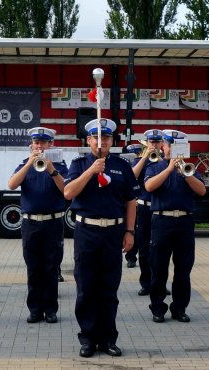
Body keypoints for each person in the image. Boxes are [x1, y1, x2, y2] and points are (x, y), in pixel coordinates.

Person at [63, 118, 136, 357]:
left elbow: (131, 201)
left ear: (112, 141)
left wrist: (130, 231)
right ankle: (87, 339)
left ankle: (107, 339)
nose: (101, 142)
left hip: (114, 233)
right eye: (96, 138)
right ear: (89, 140)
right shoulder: (79, 163)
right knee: (86, 288)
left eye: (106, 138)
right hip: (87, 232)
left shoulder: (122, 166)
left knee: (109, 289)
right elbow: (68, 192)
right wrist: (91, 171)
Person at [144, 130, 206, 323]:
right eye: (170, 145)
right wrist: (169, 169)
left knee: (183, 269)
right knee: (159, 268)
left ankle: (179, 308)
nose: (172, 149)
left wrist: (186, 175)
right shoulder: (155, 166)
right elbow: (149, 187)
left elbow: (202, 190)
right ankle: (158, 308)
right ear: (164, 146)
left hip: (185, 222)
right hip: (162, 221)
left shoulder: (190, 168)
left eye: (178, 146)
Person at [7, 127, 67, 324]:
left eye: (43, 143)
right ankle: (34, 309)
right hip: (30, 223)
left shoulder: (59, 165)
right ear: (31, 145)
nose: (39, 146)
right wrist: (29, 164)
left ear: (50, 145)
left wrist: (52, 169)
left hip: (53, 222)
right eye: (36, 143)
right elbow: (12, 185)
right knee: (33, 268)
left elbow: (66, 190)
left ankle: (50, 309)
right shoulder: (24, 164)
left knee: (51, 268)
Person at [130, 129, 165, 296]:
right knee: (144, 247)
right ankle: (146, 283)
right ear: (146, 143)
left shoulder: (167, 162)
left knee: (161, 249)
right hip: (144, 208)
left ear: (162, 144)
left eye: (157, 142)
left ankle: (160, 284)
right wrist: (144, 157)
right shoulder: (139, 160)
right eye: (152, 142)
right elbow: (131, 177)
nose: (154, 144)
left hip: (160, 208)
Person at [122, 142, 144, 270]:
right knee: (131, 229)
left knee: (142, 232)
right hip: (130, 202)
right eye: (135, 153)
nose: (136, 155)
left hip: (140, 201)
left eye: (138, 153)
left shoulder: (146, 162)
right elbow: (132, 175)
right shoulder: (127, 164)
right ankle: (130, 257)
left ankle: (141, 256)